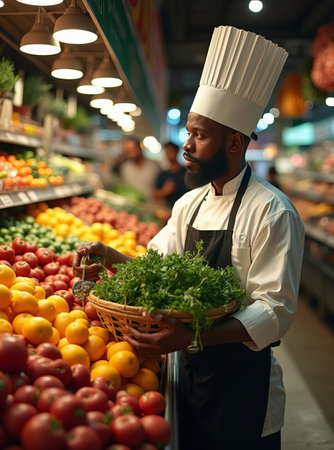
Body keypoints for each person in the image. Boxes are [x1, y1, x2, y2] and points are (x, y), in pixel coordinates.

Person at [73, 26, 304, 450]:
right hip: (189, 376)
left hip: (244, 386)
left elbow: (275, 311)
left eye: (199, 135)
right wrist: (110, 254)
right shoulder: (189, 204)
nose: (186, 145)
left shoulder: (272, 211)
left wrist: (193, 337)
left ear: (234, 142)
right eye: (189, 133)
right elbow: (157, 264)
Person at [152, 141, 187, 207]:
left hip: (186, 207)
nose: (169, 154)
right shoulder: (163, 175)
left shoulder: (187, 173)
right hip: (168, 209)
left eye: (171, 151)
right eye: (167, 152)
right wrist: (164, 191)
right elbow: (155, 194)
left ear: (176, 152)